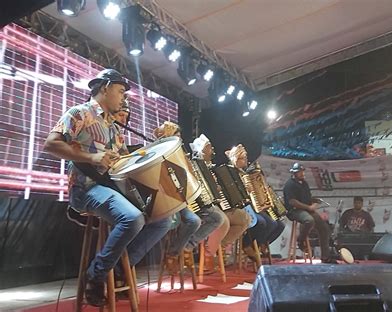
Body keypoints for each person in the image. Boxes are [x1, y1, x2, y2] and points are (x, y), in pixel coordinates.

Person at [44, 69, 172, 307]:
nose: (124, 97)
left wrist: (155, 148)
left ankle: (120, 268)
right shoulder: (79, 113)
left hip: (111, 188)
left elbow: (125, 162)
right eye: (121, 91)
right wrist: (92, 158)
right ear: (105, 87)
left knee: (164, 218)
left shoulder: (113, 127)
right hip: (85, 189)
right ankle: (97, 274)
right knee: (132, 219)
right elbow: (51, 144)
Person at [154, 122, 225, 271]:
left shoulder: (182, 156)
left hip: (186, 200)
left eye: (179, 138)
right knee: (194, 221)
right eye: (175, 138)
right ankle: (172, 254)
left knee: (217, 218)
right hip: (169, 200)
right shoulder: (157, 155)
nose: (179, 142)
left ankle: (187, 246)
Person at [190, 135, 251, 271]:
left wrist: (219, 188)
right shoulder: (194, 165)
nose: (212, 150)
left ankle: (220, 247)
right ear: (202, 150)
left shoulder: (212, 168)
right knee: (222, 221)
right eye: (209, 147)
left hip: (218, 206)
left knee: (244, 218)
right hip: (201, 208)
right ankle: (208, 254)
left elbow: (219, 189)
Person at [226, 144, 285, 261]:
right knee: (262, 222)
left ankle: (257, 245)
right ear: (235, 159)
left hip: (250, 207)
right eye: (243, 158)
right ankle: (247, 245)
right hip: (239, 207)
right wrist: (244, 190)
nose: (246, 160)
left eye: (246, 157)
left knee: (278, 224)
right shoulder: (230, 173)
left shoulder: (245, 174)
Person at [283, 162, 333, 263]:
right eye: (299, 172)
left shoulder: (304, 183)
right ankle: (300, 241)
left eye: (302, 172)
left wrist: (315, 201)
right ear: (294, 173)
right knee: (309, 220)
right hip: (294, 211)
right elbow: (293, 202)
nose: (302, 174)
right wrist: (309, 207)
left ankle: (325, 257)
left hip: (305, 209)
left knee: (324, 228)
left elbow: (307, 198)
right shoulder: (289, 184)